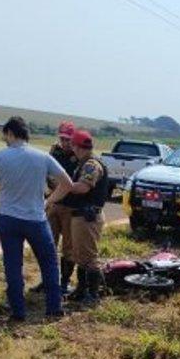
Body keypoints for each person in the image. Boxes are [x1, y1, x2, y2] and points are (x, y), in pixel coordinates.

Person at [0, 116, 73, 321]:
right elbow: (67, 184)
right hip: (35, 218)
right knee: (49, 262)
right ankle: (54, 308)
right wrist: (49, 201)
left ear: (9, 133)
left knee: (13, 265)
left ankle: (18, 312)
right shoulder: (42, 157)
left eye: (5, 136)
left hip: (7, 218)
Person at [59, 129, 109, 305]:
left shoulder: (91, 165)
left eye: (72, 145)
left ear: (77, 147)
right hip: (81, 215)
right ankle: (82, 290)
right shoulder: (84, 162)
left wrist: (66, 185)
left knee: (88, 257)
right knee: (81, 255)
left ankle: (93, 295)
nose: (71, 148)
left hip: (88, 216)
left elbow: (83, 187)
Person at [32, 120, 77, 294]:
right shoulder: (54, 151)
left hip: (70, 206)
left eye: (68, 139)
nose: (65, 143)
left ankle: (64, 284)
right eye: (62, 139)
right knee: (48, 244)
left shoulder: (79, 154)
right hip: (53, 203)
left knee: (68, 248)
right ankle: (47, 280)